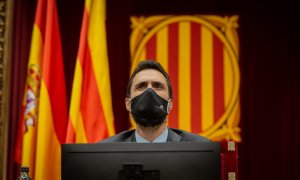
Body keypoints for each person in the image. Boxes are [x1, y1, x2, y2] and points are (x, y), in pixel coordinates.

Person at [100, 60, 209, 143]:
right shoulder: (105, 151)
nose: (149, 91)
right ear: (128, 104)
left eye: (157, 86)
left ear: (170, 104)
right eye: (141, 86)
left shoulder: (200, 147)